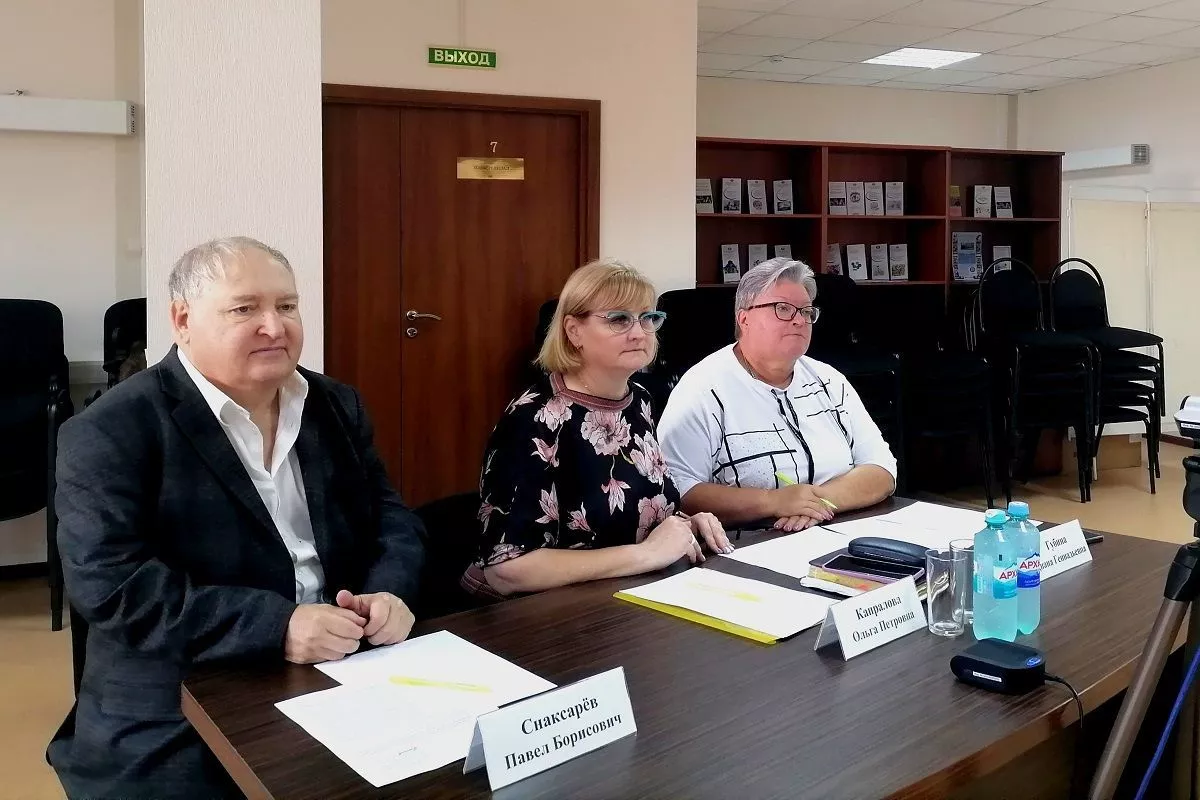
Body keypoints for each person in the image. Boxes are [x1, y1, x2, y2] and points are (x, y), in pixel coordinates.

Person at [48, 237, 427, 800]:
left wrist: (389, 593)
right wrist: (278, 626)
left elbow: (393, 519)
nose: (274, 327)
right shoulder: (111, 430)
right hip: (184, 684)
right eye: (245, 308)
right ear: (183, 320)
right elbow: (112, 587)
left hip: (343, 660)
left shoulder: (335, 405)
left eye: (287, 306)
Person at [462, 259, 732, 598]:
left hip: (630, 593)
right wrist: (646, 554)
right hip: (542, 612)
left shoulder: (640, 400)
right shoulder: (534, 418)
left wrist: (683, 523)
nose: (639, 333)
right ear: (574, 331)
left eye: (647, 318)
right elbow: (507, 570)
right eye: (619, 319)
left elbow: (637, 504)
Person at [658, 257, 897, 533]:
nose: (799, 320)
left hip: (837, 527)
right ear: (744, 318)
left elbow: (883, 468)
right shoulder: (702, 390)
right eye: (783, 309)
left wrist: (815, 503)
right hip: (750, 540)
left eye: (806, 311)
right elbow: (678, 490)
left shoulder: (830, 380)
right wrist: (773, 502)